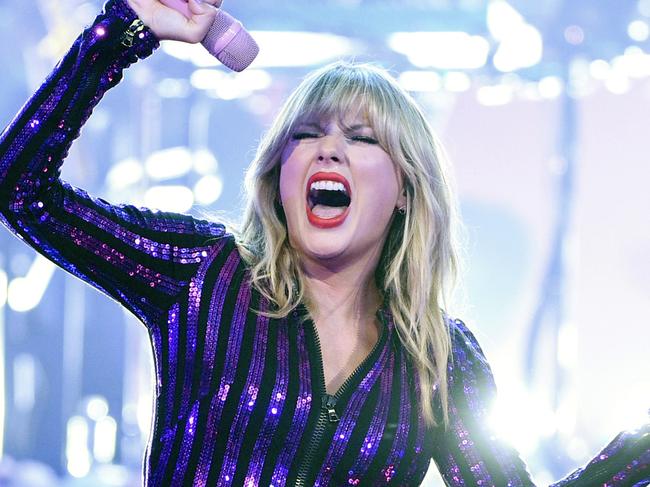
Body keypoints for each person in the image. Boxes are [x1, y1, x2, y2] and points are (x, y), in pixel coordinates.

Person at [0, 0, 648, 485]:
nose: (329, 146)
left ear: (405, 191)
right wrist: (122, 30)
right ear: (279, 172)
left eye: (363, 139)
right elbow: (21, 188)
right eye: (307, 133)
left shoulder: (440, 359)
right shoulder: (203, 275)